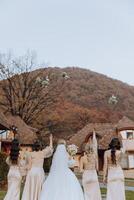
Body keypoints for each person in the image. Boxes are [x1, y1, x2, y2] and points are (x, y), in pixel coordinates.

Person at [21, 134, 53, 200]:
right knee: (39, 188)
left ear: (33, 147)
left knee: (30, 187)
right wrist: (50, 139)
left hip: (32, 172)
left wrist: (24, 174)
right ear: (40, 147)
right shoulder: (42, 153)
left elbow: (29, 165)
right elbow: (50, 148)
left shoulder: (30, 154)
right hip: (39, 172)